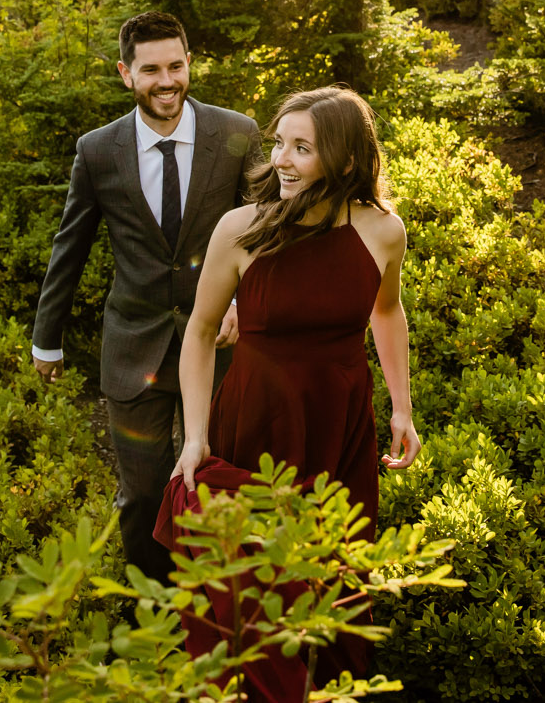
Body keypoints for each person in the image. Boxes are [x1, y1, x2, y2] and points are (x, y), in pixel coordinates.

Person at [167, 85, 421, 696]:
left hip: (339, 425)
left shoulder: (383, 232)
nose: (280, 159)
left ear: (346, 162)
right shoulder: (240, 230)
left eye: (301, 148)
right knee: (252, 588)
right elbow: (200, 333)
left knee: (332, 578)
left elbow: (387, 312)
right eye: (280, 143)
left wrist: (401, 410)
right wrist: (196, 435)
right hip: (256, 420)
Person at [30, 10, 260, 584]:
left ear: (190, 64)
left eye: (176, 66)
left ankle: (221, 602)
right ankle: (156, 613)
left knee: (224, 480)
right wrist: (47, 339)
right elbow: (71, 245)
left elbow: (267, 231)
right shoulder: (98, 150)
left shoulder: (236, 134)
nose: (167, 81)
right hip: (135, 349)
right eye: (151, 69)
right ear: (125, 74)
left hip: (224, 349)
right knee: (140, 494)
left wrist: (244, 301)